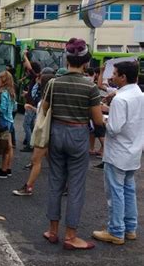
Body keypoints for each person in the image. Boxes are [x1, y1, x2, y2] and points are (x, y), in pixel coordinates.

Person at [42, 38, 103, 250]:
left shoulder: (53, 83)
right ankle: (70, 236)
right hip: (78, 135)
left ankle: (52, 230)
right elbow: (97, 120)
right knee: (75, 186)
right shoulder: (90, 87)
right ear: (85, 61)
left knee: (55, 183)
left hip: (56, 132)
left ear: (67, 59)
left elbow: (44, 109)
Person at [92, 61, 144, 245]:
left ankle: (115, 231)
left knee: (115, 192)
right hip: (133, 150)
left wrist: (103, 118)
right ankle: (130, 228)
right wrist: (109, 110)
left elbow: (114, 129)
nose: (111, 77)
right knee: (129, 190)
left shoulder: (121, 99)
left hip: (118, 153)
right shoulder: (140, 94)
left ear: (123, 77)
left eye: (114, 73)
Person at [12, 73, 55, 196]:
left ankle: (28, 187)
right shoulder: (49, 97)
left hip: (43, 132)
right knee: (52, 161)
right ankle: (65, 184)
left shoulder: (47, 98)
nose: (38, 82)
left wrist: (30, 106)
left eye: (40, 80)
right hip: (46, 131)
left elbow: (44, 114)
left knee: (35, 160)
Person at [0, 71, 17, 179]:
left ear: (4, 81)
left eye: (0, 79)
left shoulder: (3, 93)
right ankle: (8, 168)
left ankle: (3, 171)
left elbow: (3, 108)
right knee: (9, 146)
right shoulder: (11, 92)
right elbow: (14, 107)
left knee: (5, 147)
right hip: (10, 120)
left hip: (4, 121)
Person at [21, 52, 42, 152]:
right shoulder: (37, 78)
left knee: (26, 125)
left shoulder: (36, 76)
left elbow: (29, 67)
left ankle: (30, 145)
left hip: (31, 105)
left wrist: (25, 56)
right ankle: (31, 142)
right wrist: (26, 93)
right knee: (31, 125)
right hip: (33, 104)